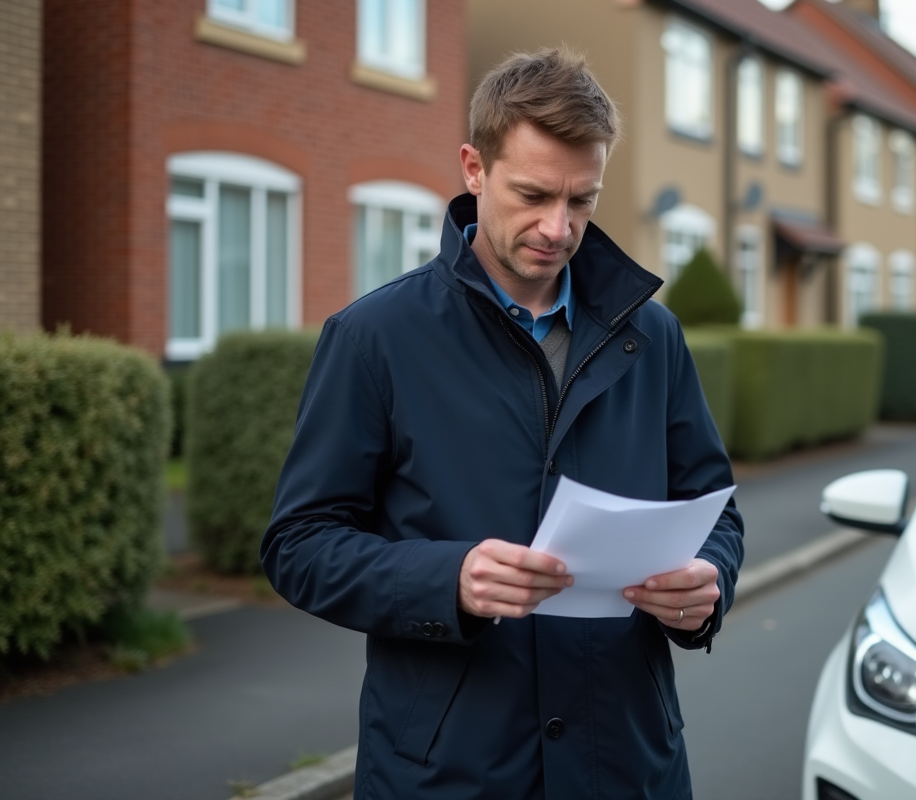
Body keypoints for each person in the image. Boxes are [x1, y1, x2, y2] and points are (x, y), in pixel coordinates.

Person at [262, 48, 744, 800]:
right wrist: (445, 578)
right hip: (448, 775)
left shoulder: (654, 337)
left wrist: (708, 585)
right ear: (473, 167)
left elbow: (717, 507)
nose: (558, 228)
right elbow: (299, 544)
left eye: (582, 200)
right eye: (533, 194)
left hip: (628, 766)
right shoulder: (374, 338)